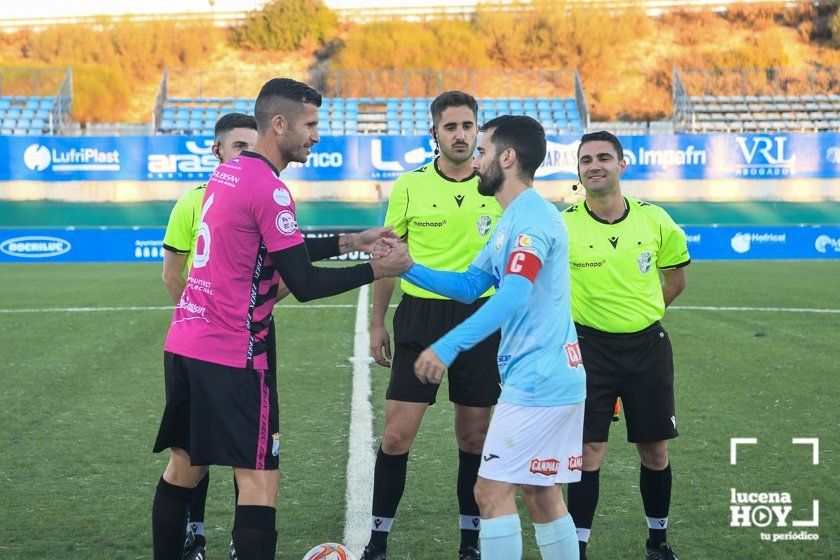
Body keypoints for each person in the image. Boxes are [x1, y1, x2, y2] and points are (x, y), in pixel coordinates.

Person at [150, 77, 412, 560]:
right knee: (258, 483)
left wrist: (350, 240)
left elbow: (278, 247)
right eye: (310, 124)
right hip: (235, 354)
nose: (316, 135)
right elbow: (305, 283)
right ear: (279, 124)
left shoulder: (227, 177)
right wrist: (378, 267)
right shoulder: (269, 189)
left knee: (183, 468)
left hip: (186, 344)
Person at [381, 115, 586, 560]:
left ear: (507, 158)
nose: (475, 159)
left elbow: (512, 294)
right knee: (540, 494)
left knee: (491, 492)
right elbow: (472, 285)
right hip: (550, 376)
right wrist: (406, 266)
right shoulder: (511, 218)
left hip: (538, 381)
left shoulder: (531, 219)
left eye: (483, 151)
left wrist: (448, 344)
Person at [363, 91, 502, 560]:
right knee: (397, 435)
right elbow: (388, 257)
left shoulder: (497, 187)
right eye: (450, 127)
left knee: (474, 436)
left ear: (477, 130)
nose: (461, 135)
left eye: (468, 126)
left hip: (482, 320)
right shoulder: (409, 185)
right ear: (434, 134)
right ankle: (377, 543)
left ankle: (470, 543)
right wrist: (377, 323)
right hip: (420, 318)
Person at [161, 112, 288, 560]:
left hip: (238, 336)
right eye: (239, 146)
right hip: (219, 342)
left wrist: (258, 304)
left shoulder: (257, 192)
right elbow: (173, 273)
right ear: (217, 151)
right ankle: (195, 534)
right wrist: (208, 314)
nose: (248, 153)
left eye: (252, 146)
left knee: (239, 454)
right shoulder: (195, 201)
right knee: (213, 456)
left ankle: (238, 541)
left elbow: (285, 272)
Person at [562, 131, 689, 560]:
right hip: (588, 349)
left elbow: (676, 279)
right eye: (586, 160)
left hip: (647, 348)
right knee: (586, 452)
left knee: (654, 448)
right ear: (577, 170)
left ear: (622, 164)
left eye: (603, 157)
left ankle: (657, 540)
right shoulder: (564, 225)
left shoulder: (656, 220)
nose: (594, 165)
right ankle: (577, 547)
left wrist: (644, 314)